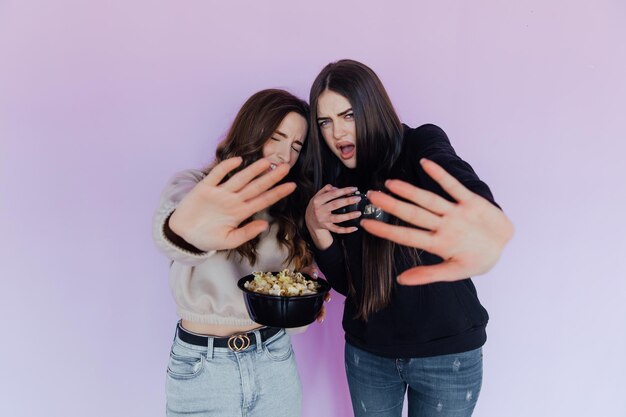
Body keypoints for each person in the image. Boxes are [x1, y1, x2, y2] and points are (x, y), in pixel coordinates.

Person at [304, 60, 514, 417]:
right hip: (368, 354)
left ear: (372, 107)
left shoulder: (420, 143)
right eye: (326, 121)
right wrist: (316, 229)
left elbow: (458, 178)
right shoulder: (333, 180)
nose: (337, 133)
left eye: (348, 115)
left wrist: (487, 219)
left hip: (447, 357)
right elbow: (349, 286)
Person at [152, 89, 320, 417]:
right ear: (252, 130)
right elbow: (173, 231)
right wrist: (185, 231)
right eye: (277, 137)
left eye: (296, 146)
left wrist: (301, 309)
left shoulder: (292, 213)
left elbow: (289, 318)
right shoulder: (196, 186)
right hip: (203, 367)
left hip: (274, 359)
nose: (286, 155)